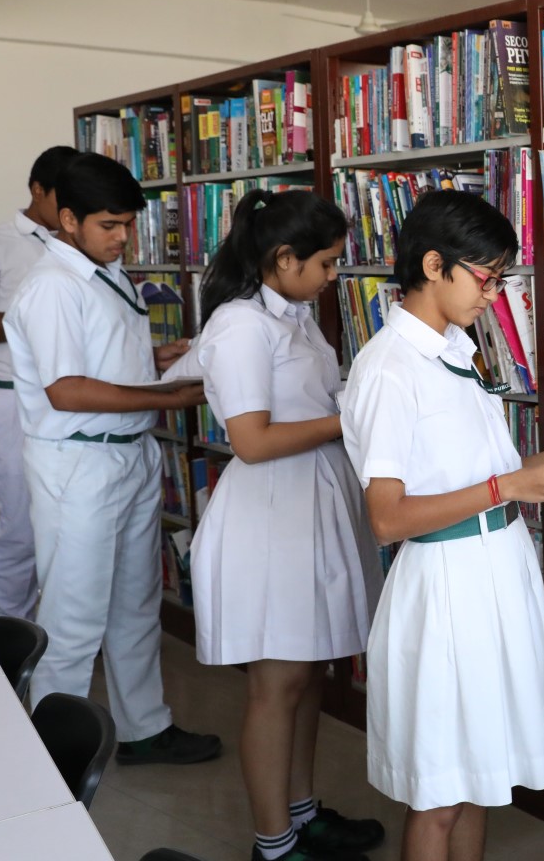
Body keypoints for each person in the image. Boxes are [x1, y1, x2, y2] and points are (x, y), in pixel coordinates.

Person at [339, 189, 544, 861]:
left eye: (500, 278)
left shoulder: (455, 347)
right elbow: (387, 517)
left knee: (481, 780)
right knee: (441, 794)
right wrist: (508, 486)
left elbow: (473, 473)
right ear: (432, 265)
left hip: (492, 573)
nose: (493, 295)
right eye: (486, 277)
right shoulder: (389, 369)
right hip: (444, 587)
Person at [187, 189, 386, 861]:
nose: (335, 276)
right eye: (327, 263)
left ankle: (302, 815)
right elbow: (252, 439)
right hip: (269, 513)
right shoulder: (242, 325)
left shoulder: (295, 314)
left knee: (307, 676)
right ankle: (274, 844)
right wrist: (354, 414)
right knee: (277, 685)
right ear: (282, 257)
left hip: (310, 501)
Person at [3, 153, 220, 764]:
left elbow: (99, 360)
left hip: (129, 454)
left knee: (134, 605)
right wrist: (166, 395)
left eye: (128, 223)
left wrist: (159, 358)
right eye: (109, 225)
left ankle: (144, 727)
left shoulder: (104, 273)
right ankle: (52, 756)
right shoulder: (51, 285)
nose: (123, 237)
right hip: (79, 465)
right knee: (74, 616)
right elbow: (65, 389)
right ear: (68, 219)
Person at [0, 145, 79, 622]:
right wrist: (35, 317)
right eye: (62, 198)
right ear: (37, 191)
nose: (72, 211)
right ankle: (8, 637)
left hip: (75, 399)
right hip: (17, 404)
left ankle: (65, 633)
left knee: (71, 525)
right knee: (21, 528)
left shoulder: (79, 242)